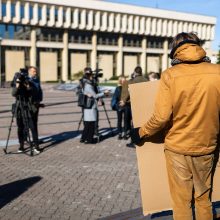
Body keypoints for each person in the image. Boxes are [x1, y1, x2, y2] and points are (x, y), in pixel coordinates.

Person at [131, 32, 220, 220]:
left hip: (177, 148)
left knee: (181, 202)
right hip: (207, 146)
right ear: (198, 46)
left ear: (175, 50)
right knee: (204, 199)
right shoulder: (217, 71)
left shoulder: (170, 75)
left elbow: (161, 117)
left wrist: (141, 132)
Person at [12, 66, 43, 154]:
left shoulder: (30, 82)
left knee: (32, 126)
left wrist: (28, 86)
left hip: (29, 107)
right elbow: (13, 94)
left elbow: (32, 92)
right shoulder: (18, 81)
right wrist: (17, 84)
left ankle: (36, 146)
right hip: (19, 107)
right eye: (33, 71)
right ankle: (21, 146)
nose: (35, 73)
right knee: (20, 127)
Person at [80, 67, 108, 144]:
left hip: (88, 107)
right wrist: (104, 93)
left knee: (88, 124)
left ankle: (84, 138)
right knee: (91, 124)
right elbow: (95, 95)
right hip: (91, 107)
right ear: (89, 76)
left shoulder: (86, 84)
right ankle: (89, 139)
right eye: (92, 76)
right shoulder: (88, 85)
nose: (93, 77)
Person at [120, 66, 148, 142]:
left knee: (133, 122)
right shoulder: (146, 80)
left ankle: (134, 138)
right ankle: (142, 135)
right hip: (144, 103)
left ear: (135, 72)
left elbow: (128, 92)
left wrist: (124, 100)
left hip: (134, 103)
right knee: (141, 121)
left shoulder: (132, 81)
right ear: (141, 72)